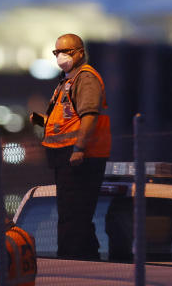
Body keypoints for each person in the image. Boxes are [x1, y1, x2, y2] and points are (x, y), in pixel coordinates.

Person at [30, 33, 111, 260]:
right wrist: (38, 120)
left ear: (80, 53)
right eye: (57, 52)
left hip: (80, 159)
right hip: (65, 158)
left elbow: (89, 116)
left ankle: (72, 264)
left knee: (74, 218)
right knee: (73, 217)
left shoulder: (85, 78)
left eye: (67, 51)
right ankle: (86, 262)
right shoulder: (66, 82)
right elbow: (63, 123)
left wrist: (79, 149)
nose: (61, 56)